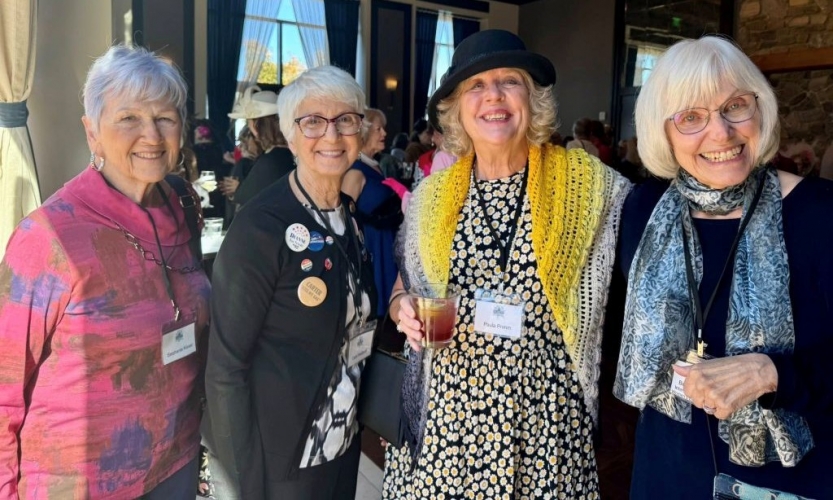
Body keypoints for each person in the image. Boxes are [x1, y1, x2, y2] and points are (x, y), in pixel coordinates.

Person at [383, 30, 631, 498]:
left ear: (532, 99)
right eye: (475, 85)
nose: (493, 95)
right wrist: (403, 310)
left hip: (546, 427)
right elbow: (403, 289)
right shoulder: (430, 199)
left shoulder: (591, 188)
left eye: (509, 81)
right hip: (447, 427)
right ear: (457, 110)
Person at [614, 35, 832, 499]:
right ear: (662, 131)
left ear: (760, 109)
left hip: (788, 482)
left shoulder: (820, 214)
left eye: (735, 106)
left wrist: (774, 373)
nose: (721, 133)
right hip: (669, 470)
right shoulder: (643, 212)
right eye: (691, 117)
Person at [0, 45, 209, 498]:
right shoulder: (49, 237)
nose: (151, 135)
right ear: (92, 132)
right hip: (77, 483)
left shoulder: (183, 204)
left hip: (176, 461)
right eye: (128, 118)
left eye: (165, 117)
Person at [203, 65, 377, 500]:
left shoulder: (348, 216)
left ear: (360, 130)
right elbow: (225, 369)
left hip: (343, 442)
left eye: (345, 120)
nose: (331, 135)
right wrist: (245, 482)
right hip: (283, 460)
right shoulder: (260, 228)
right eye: (313, 121)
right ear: (290, 135)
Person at [342, 108, 402, 315]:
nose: (384, 133)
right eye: (378, 129)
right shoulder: (356, 170)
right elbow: (344, 216)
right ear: (365, 132)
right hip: (371, 245)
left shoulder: (374, 166)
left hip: (383, 241)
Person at [227, 85, 295, 207]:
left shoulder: (270, 161)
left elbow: (251, 202)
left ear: (255, 124)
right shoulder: (291, 153)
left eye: (248, 122)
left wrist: (238, 190)